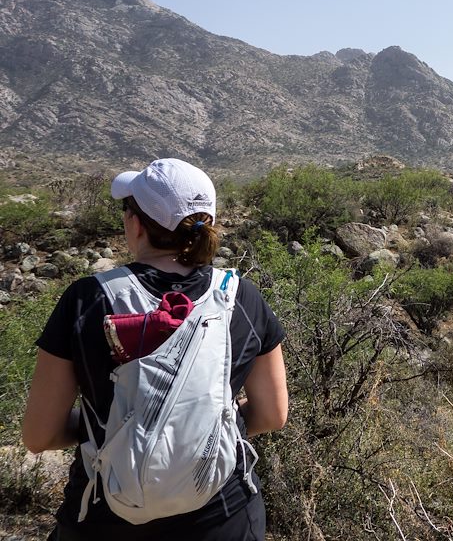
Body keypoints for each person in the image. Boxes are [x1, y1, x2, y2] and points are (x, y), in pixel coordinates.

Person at [22, 158, 289, 541]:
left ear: (136, 224)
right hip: (222, 514)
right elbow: (273, 414)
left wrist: (112, 422)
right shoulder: (241, 297)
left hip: (105, 517)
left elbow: (39, 436)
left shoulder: (87, 299)